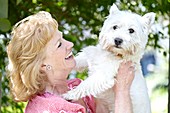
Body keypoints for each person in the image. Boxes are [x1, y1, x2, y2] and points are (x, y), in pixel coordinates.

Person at [7, 11, 135, 113]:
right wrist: (122, 90)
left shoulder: (75, 86)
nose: (70, 44)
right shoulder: (48, 109)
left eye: (63, 39)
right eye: (59, 44)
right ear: (42, 65)